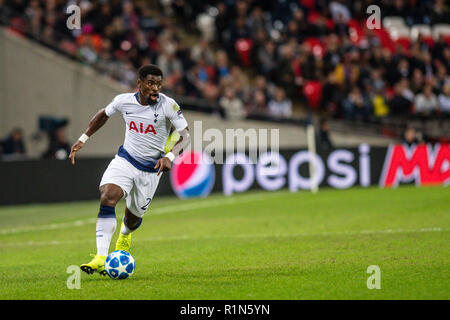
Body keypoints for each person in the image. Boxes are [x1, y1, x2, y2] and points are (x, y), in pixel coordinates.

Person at [69, 64, 191, 276]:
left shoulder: (169, 106)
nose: (155, 88)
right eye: (151, 83)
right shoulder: (123, 101)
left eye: (159, 84)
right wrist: (83, 138)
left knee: (132, 220)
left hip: (151, 170)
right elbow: (103, 115)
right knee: (108, 196)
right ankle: (100, 257)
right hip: (125, 160)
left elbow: (186, 135)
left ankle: (125, 235)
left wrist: (169, 156)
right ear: (140, 84)